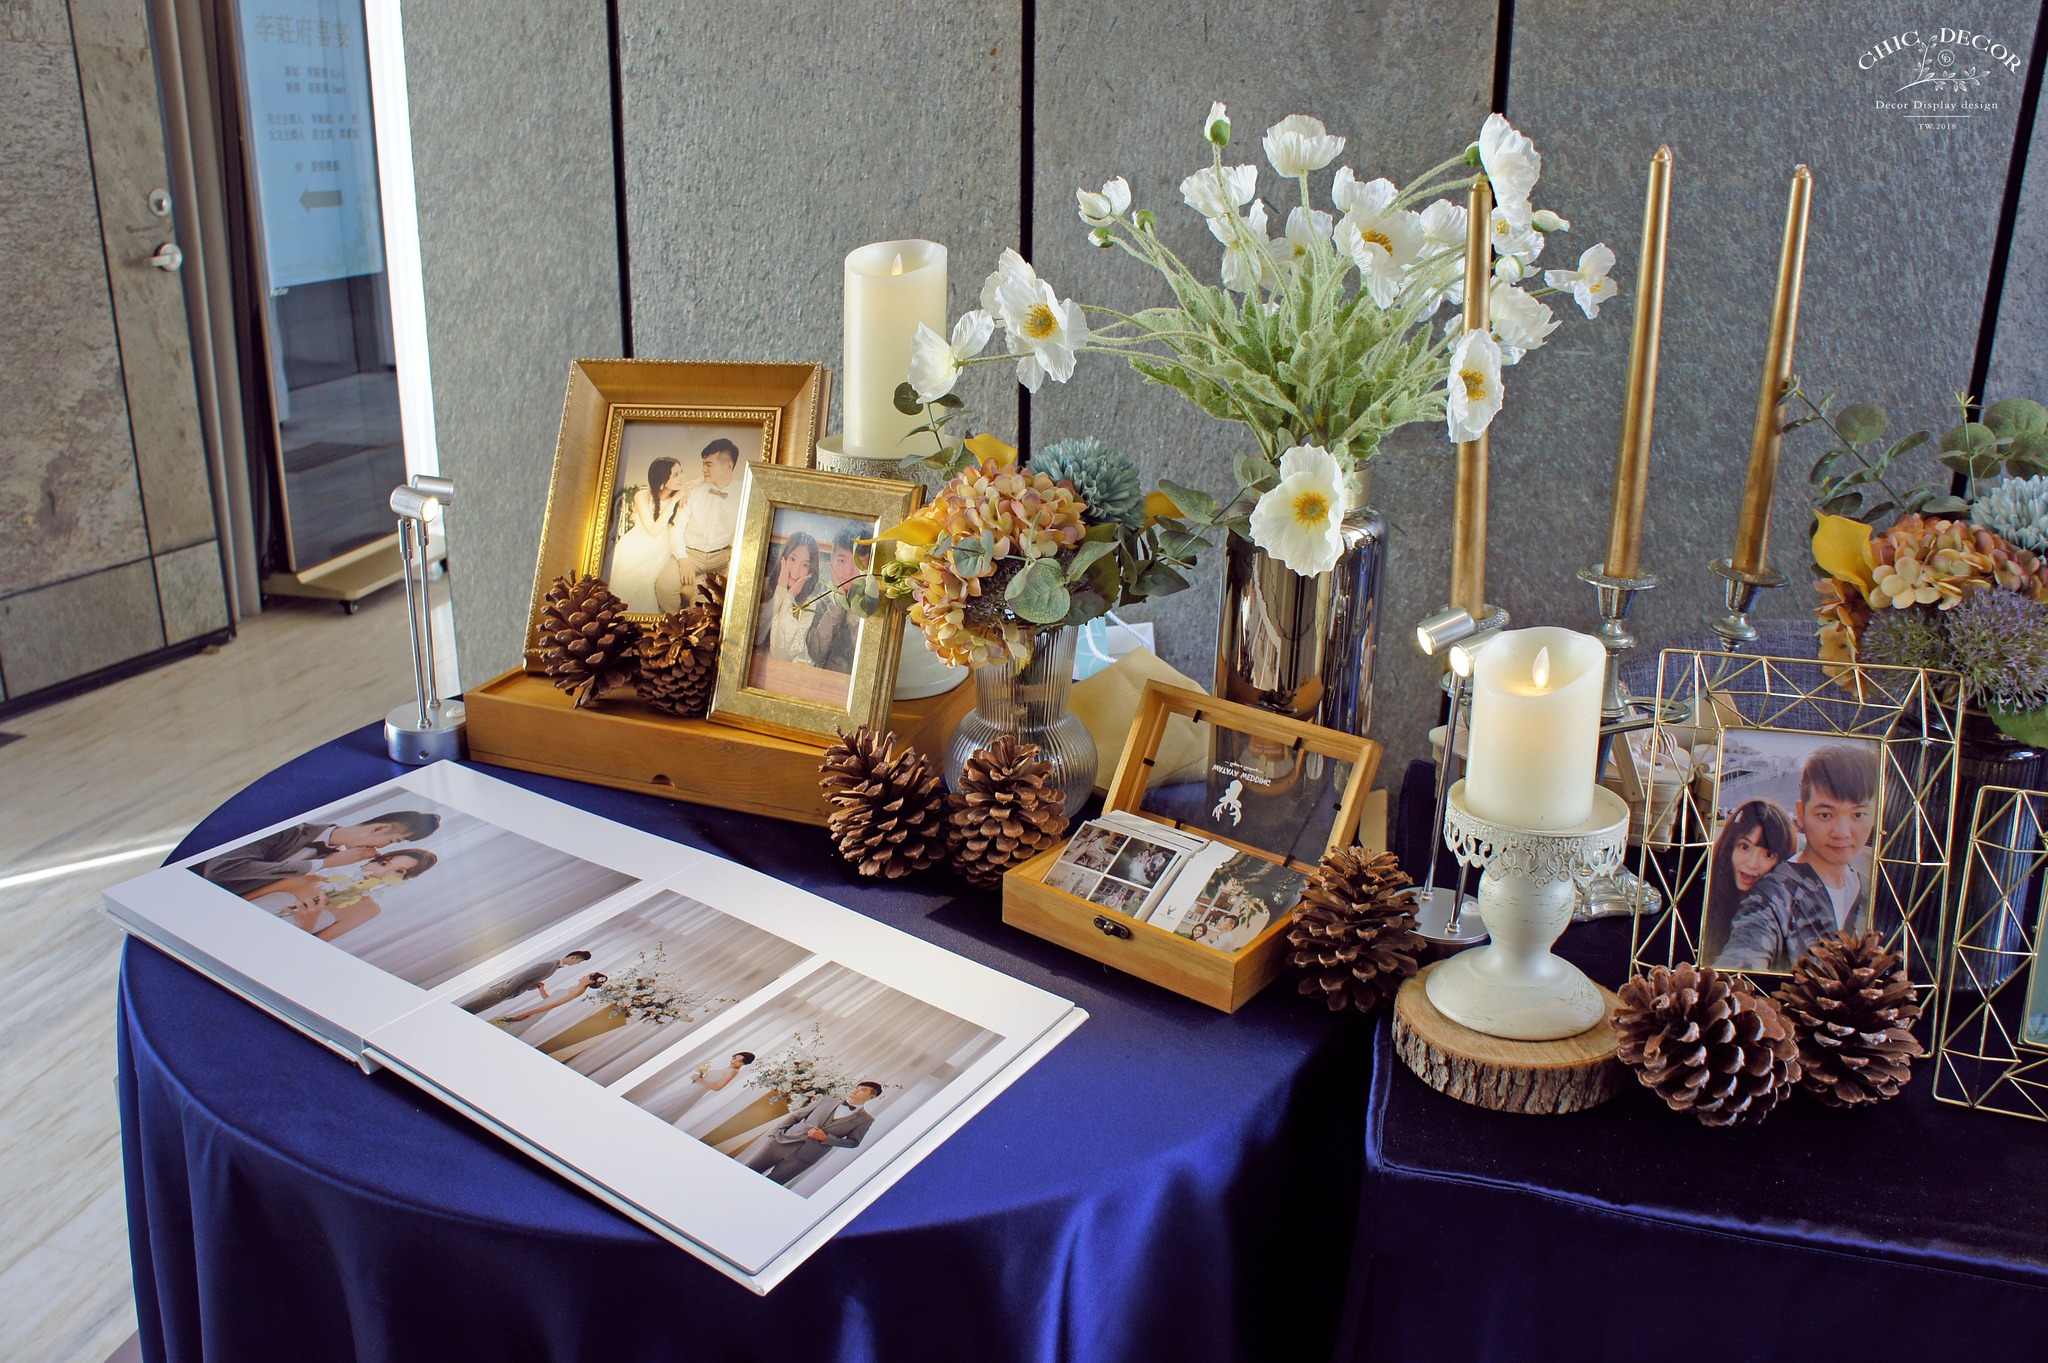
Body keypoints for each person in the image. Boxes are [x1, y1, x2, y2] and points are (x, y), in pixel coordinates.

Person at [1717, 744, 1882, 973]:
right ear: (1802, 814)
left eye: (1858, 814)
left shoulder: (1872, 887)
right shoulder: (1772, 895)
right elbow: (1742, 956)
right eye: (1826, 815)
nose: (1842, 833)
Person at [195, 810, 442, 902]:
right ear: (379, 828)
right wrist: (324, 864)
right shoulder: (290, 829)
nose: (384, 849)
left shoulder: (336, 867)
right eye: (392, 841)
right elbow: (219, 870)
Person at [242, 847, 439, 940]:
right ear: (368, 862)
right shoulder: (308, 878)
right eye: (382, 863)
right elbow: (240, 902)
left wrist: (306, 925)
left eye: (398, 871)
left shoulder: (368, 909)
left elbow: (309, 947)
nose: (380, 873)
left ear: (402, 880)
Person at [1700, 800, 1798, 965]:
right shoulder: (1702, 896)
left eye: (1768, 854)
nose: (1752, 863)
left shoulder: (1785, 916)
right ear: (1730, 845)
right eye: (1745, 847)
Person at [743, 1081, 883, 1186]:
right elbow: (796, 1116)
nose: (856, 1090)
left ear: (871, 1097)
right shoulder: (827, 1100)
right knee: (748, 1171)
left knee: (771, 1185)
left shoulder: (866, 1120)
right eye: (857, 1087)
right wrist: (775, 1134)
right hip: (781, 1142)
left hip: (804, 1157)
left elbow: (853, 1142)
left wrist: (826, 1138)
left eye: (863, 1090)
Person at [611, 456, 688, 614]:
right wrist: (674, 500)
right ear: (662, 479)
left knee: (648, 592)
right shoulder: (643, 496)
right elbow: (653, 531)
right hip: (635, 549)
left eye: (681, 472)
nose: (681, 478)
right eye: (675, 475)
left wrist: (678, 497)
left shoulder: (681, 495)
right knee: (625, 591)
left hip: (661, 551)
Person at [670, 439, 744, 596]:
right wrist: (683, 559)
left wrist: (732, 565)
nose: (703, 469)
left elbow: (748, 536)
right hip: (691, 552)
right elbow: (677, 528)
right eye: (703, 464)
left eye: (709, 465)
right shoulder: (693, 490)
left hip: (722, 557)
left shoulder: (746, 492)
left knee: (712, 597)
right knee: (665, 585)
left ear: (728, 466)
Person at [803, 525, 864, 674]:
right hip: (822, 682)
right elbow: (815, 653)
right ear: (832, 561)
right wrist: (839, 604)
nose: (848, 571)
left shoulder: (872, 604)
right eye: (842, 561)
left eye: (858, 563)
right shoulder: (819, 603)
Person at [460, 950, 594, 1015]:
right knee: (470, 1008)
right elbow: (523, 976)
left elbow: (528, 979)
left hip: (507, 991)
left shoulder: (555, 966)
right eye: (579, 961)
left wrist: (533, 986)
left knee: (474, 1009)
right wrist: (506, 991)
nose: (577, 964)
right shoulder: (551, 964)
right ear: (573, 957)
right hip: (503, 990)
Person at [756, 531, 820, 664]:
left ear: (811, 571)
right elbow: (756, 635)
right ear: (783, 558)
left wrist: (789, 598)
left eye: (805, 565)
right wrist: (780, 591)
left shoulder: (808, 604)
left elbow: (782, 654)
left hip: (781, 670)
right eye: (792, 559)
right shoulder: (763, 585)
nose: (796, 570)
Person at [690, 1051, 757, 1093]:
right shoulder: (729, 1069)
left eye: (739, 1061)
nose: (734, 1061)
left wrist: (699, 1079)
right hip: (695, 1088)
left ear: (745, 1063)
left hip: (696, 1091)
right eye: (734, 1058)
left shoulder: (732, 1071)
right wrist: (701, 1076)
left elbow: (717, 1087)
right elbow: (711, 1082)